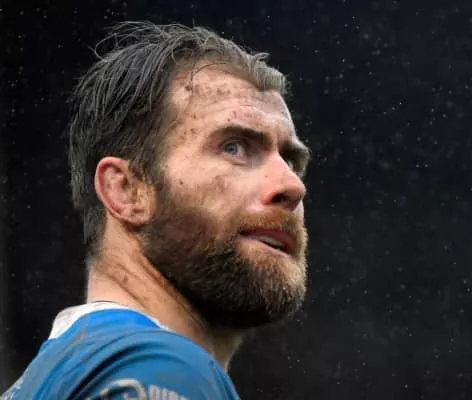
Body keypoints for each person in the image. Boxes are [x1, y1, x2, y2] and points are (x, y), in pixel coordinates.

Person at [2, 20, 311, 399]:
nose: (292, 186)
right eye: (234, 147)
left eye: (291, 160)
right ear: (126, 190)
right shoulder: (158, 367)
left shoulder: (58, 375)